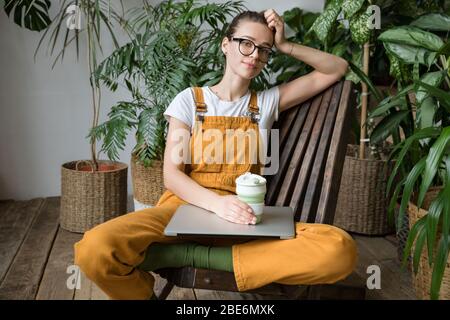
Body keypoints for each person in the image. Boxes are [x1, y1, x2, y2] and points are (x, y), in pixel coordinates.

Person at [74, 9, 357, 300]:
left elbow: (336, 68)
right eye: (246, 43)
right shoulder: (190, 100)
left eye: (264, 49)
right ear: (226, 45)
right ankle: (197, 259)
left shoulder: (267, 102)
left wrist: (286, 45)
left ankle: (187, 256)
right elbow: (172, 175)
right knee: (94, 249)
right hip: (180, 210)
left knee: (339, 249)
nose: (254, 54)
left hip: (243, 220)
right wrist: (218, 204)